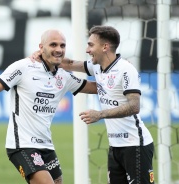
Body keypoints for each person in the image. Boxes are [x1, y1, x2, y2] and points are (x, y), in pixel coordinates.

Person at [0, 29, 97, 184]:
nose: (59, 49)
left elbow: (95, 88)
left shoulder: (63, 76)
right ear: (41, 47)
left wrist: (116, 75)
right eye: (53, 45)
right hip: (22, 145)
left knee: (57, 182)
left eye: (62, 45)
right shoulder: (22, 68)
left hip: (46, 145)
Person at [48, 25, 154, 184]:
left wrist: (100, 114)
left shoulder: (126, 70)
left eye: (91, 45)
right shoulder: (96, 67)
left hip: (135, 146)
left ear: (105, 47)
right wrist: (45, 56)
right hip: (115, 147)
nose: (87, 49)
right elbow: (69, 64)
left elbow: (134, 106)